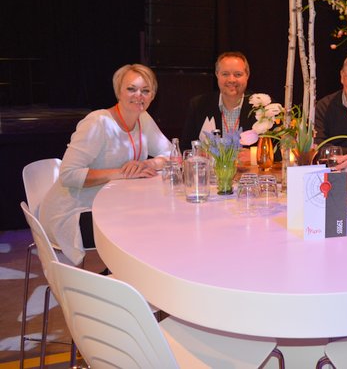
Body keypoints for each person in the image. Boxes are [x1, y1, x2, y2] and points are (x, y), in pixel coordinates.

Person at [39, 64, 173, 265]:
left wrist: (148, 163)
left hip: (114, 204)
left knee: (157, 215)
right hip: (73, 212)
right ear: (118, 91)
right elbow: (69, 175)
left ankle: (125, 276)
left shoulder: (142, 118)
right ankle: (125, 279)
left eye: (145, 91)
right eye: (131, 89)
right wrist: (121, 172)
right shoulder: (98, 122)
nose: (139, 96)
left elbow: (171, 154)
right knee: (146, 225)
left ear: (153, 96)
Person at [181, 51, 254, 145]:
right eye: (225, 74)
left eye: (238, 74)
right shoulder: (198, 105)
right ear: (217, 74)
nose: (231, 80)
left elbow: (272, 149)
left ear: (247, 75)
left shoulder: (263, 108)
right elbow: (186, 148)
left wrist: (253, 153)